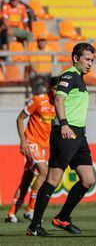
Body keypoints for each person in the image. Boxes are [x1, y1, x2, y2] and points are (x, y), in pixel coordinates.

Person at [26, 42, 96, 236]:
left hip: (79, 135)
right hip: (66, 132)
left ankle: (62, 218)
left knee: (88, 179)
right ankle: (34, 226)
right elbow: (58, 99)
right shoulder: (69, 75)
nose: (90, 63)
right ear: (76, 58)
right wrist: (64, 124)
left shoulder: (79, 78)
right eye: (87, 59)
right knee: (53, 178)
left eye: (92, 60)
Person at [4, 76, 57, 223]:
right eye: (55, 88)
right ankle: (30, 210)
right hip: (32, 142)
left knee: (26, 180)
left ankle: (11, 214)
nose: (57, 91)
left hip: (44, 146)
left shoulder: (58, 104)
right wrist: (23, 141)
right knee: (44, 172)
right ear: (49, 87)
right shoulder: (38, 100)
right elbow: (20, 118)